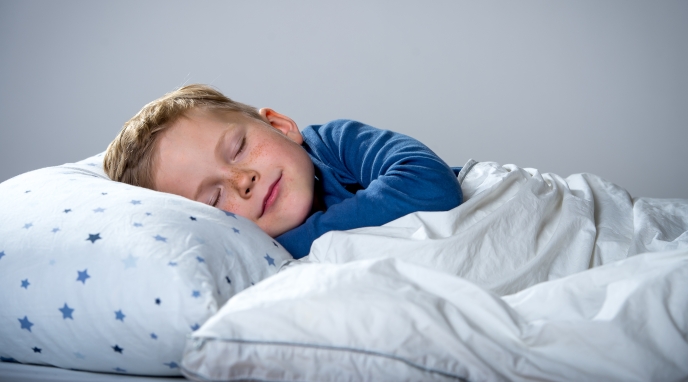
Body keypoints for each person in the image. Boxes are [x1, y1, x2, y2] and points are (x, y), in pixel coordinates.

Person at [103, 84, 462, 258]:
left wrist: (285, 242)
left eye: (239, 148)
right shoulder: (245, 254)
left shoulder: (336, 143)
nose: (242, 180)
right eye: (214, 197)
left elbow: (429, 185)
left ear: (279, 125)